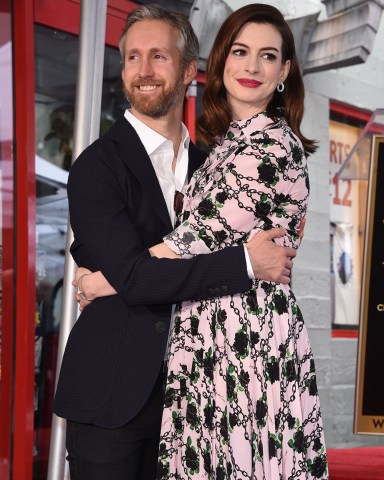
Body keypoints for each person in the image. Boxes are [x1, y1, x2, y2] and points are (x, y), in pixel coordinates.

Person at [53, 4, 297, 480]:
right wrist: (244, 265)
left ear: (189, 69)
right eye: (132, 58)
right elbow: (139, 278)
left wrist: (105, 283)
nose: (143, 71)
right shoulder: (96, 168)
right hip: (111, 396)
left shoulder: (216, 165)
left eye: (159, 57)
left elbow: (274, 250)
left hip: (200, 396)